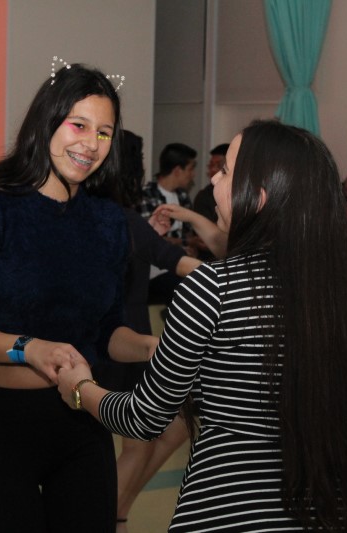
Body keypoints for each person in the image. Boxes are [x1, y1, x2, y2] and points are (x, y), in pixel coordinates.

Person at [57, 119, 347, 532]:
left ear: (258, 197)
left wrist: (79, 387)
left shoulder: (213, 288)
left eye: (227, 171)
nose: (213, 179)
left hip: (227, 514)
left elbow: (144, 418)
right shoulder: (343, 295)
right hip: (326, 515)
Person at [0, 64, 157, 531]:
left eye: (104, 132)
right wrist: (29, 348)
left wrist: (150, 347)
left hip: (83, 420)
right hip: (0, 426)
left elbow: (105, 332)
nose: (91, 144)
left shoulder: (107, 222)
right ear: (47, 121)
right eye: (79, 125)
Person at [97, 130, 201, 530]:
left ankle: (116, 512)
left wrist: (147, 235)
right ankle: (112, 516)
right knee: (142, 441)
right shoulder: (121, 218)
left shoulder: (106, 217)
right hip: (127, 341)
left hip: (119, 338)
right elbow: (181, 263)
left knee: (170, 428)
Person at [140, 142, 201, 305]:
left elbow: (189, 232)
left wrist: (191, 247)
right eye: (191, 169)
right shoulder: (147, 195)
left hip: (180, 264)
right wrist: (185, 243)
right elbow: (149, 239)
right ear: (177, 170)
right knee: (188, 287)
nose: (193, 175)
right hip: (157, 270)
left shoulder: (183, 196)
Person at [192, 143, 229, 223]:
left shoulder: (244, 195)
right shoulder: (204, 197)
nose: (213, 170)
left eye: (219, 165)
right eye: (211, 165)